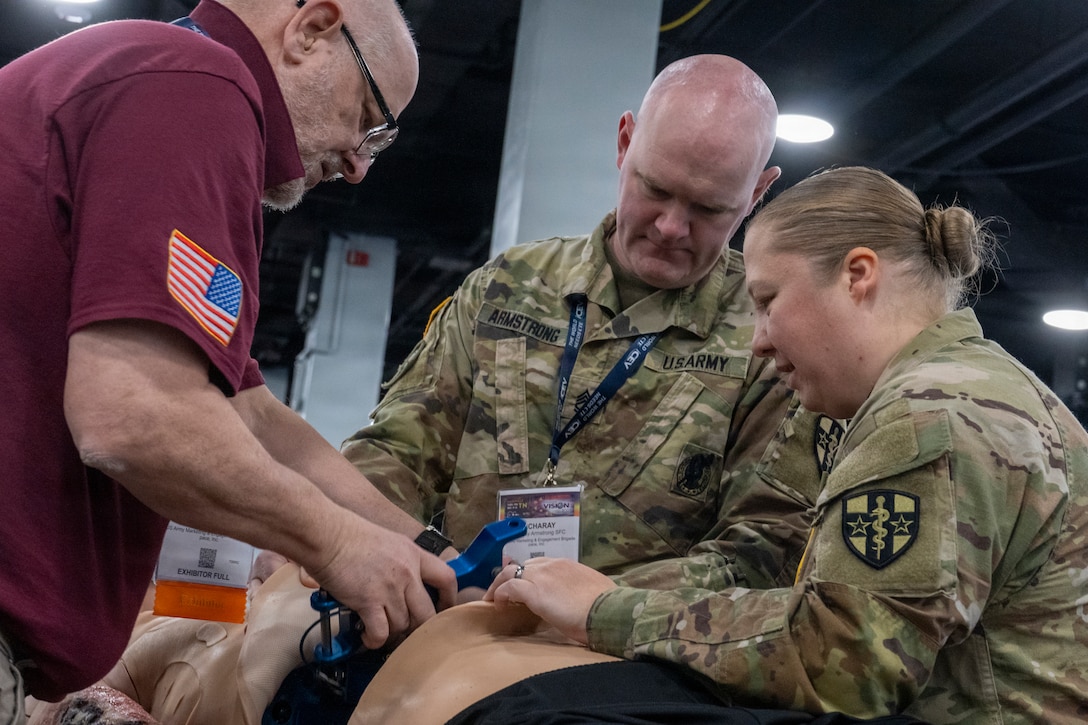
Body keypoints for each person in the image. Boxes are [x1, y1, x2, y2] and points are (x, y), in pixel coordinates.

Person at [399, 166, 1086, 724]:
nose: (757, 338)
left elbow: (842, 661)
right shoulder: (977, 387)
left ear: (858, 275)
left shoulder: (925, 417)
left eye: (767, 299)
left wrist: (606, 609)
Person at [0, 0, 459, 718]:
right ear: (312, 29)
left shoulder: (157, 81)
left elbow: (248, 411)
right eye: (369, 119)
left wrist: (424, 544)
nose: (359, 165)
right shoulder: (198, 88)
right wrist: (335, 542)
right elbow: (133, 414)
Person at [341, 54, 829, 583]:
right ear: (625, 143)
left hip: (635, 656)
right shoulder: (505, 288)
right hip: (457, 629)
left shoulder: (772, 339)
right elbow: (396, 452)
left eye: (709, 209)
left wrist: (591, 608)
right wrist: (400, 553)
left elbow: (764, 547)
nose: (670, 226)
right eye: (655, 189)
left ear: (757, 192)